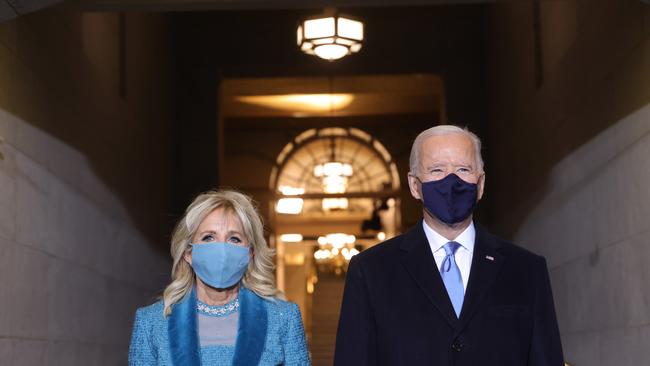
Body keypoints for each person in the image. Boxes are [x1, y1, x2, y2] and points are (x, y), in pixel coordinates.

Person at [334, 125, 564, 365]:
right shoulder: (371, 270)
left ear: (481, 183)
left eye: (463, 169)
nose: (451, 181)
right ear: (414, 185)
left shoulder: (526, 270)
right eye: (436, 170)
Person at [129, 189, 310, 365]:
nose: (222, 250)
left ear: (250, 253)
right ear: (188, 253)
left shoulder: (284, 318)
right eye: (208, 237)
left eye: (234, 239)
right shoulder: (151, 323)